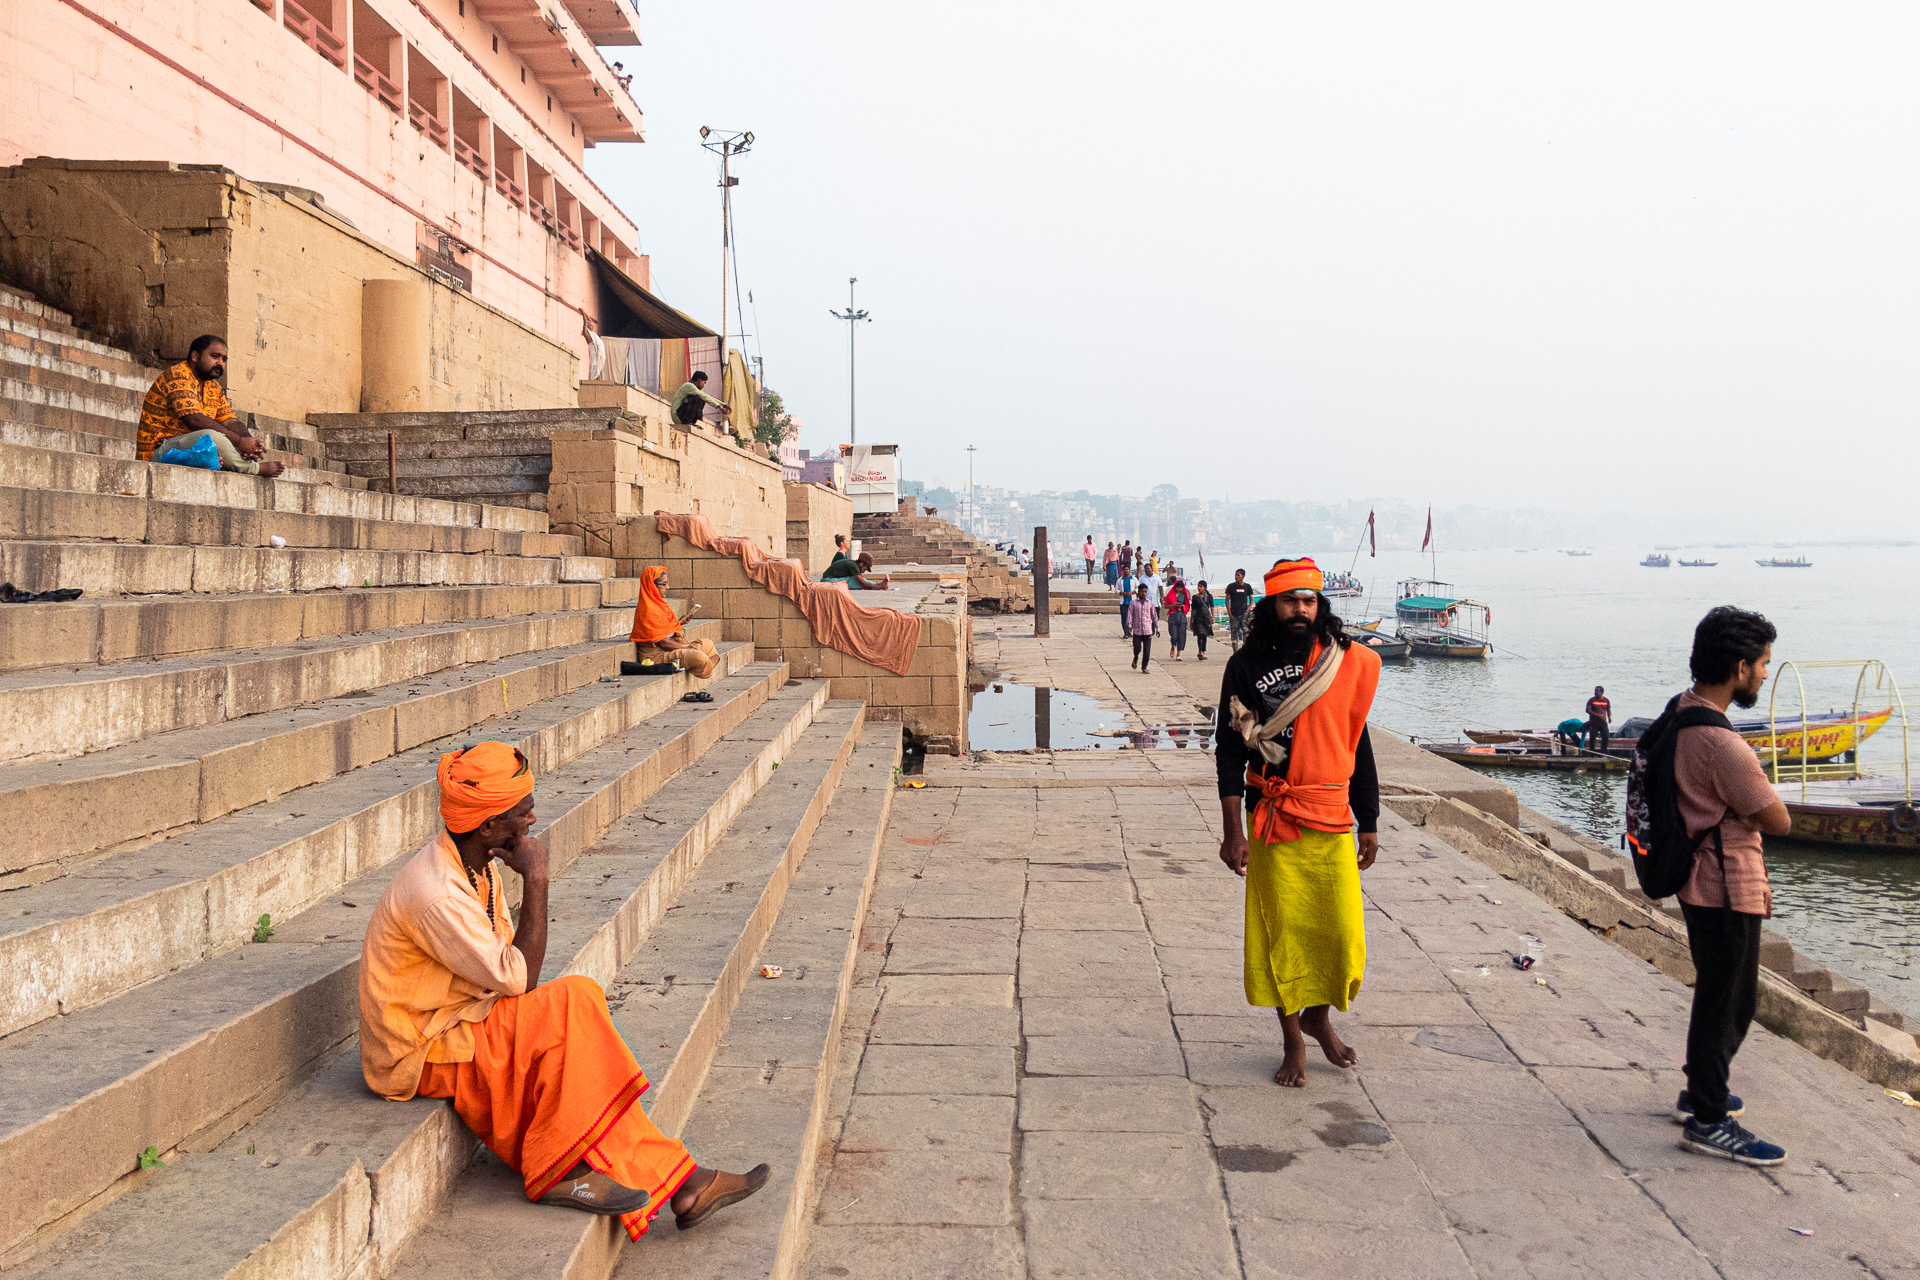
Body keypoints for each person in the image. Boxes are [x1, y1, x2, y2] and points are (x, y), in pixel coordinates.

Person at [358, 742, 770, 1236]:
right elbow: (519, 979)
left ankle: (683, 1181)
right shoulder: (438, 894)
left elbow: (507, 972)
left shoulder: (477, 863)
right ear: (488, 826)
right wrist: (538, 878)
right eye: (521, 811)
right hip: (419, 1048)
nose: (532, 818)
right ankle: (561, 1169)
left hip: (462, 1016)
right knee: (573, 1001)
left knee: (576, 1012)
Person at [1214, 558, 1381, 1088]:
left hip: (1332, 817)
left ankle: (1319, 1017)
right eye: (1290, 601)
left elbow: (1359, 743)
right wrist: (1231, 831)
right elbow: (1226, 750)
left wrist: (1369, 819)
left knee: (1340, 934)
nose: (1300, 610)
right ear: (1270, 606)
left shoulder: (1341, 662)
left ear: (1319, 605)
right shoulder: (1244, 664)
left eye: (1309, 601)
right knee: (1280, 935)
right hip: (1273, 818)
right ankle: (1293, 1042)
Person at [1670, 606, 1792, 1166]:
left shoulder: (1680, 713)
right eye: (1763, 664)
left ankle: (1701, 1091)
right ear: (1739, 667)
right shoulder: (1724, 746)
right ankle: (1710, 1119)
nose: (1766, 675)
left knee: (1718, 989)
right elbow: (1777, 820)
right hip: (1726, 882)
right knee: (1732, 1000)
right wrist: (1757, 778)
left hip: (1696, 877)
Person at [138, 335, 285, 477]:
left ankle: (218, 461)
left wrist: (249, 443)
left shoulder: (214, 387)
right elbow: (194, 420)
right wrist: (239, 442)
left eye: (224, 359)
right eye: (215, 356)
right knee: (212, 435)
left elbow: (230, 421)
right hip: (159, 453)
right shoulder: (178, 375)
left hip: (190, 449)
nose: (220, 363)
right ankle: (254, 469)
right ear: (195, 356)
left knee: (223, 441)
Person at [630, 566, 719, 677]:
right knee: (698, 657)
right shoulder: (647, 609)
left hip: (670, 647)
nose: (668, 587)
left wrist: (679, 623)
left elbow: (664, 629)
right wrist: (687, 648)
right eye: (664, 584)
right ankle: (700, 663)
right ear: (653, 586)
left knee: (708, 644)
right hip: (657, 655)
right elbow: (664, 642)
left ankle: (700, 664)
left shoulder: (660, 605)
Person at [1125, 583, 1156, 672]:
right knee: (1137, 648)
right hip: (1137, 630)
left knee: (1147, 650)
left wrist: (1157, 628)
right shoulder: (1133, 603)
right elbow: (1130, 615)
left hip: (1147, 629)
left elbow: (1154, 616)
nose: (1144, 593)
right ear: (1138, 592)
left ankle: (1144, 667)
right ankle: (1135, 657)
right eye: (1142, 591)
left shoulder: (1150, 603)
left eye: (1145, 592)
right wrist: (1129, 625)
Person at [823, 552, 891, 590]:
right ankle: (879, 586)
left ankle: (879, 585)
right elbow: (863, 583)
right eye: (864, 569)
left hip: (830, 579)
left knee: (856, 579)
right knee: (854, 581)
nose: (864, 572)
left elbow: (862, 580)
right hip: (827, 580)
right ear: (861, 564)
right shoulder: (854, 566)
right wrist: (878, 587)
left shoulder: (854, 564)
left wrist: (877, 584)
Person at [1224, 569, 1255, 650]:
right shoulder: (1231, 586)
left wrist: (1247, 610)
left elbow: (1251, 600)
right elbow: (1227, 600)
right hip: (1234, 614)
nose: (1236, 577)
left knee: (1246, 634)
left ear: (1243, 576)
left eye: (1238, 575)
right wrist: (1229, 613)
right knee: (1234, 635)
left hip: (1244, 614)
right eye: (1235, 575)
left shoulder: (1247, 587)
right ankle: (1235, 652)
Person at [1165, 577, 1191, 660]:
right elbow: (1166, 605)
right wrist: (1173, 605)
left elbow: (1187, 605)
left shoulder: (1184, 595)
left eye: (1180, 588)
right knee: (1174, 635)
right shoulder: (1170, 594)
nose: (1178, 589)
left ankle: (1179, 653)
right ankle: (1173, 645)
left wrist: (1182, 606)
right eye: (1177, 587)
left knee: (1181, 635)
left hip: (1181, 615)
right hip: (1172, 616)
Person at [1192, 580, 1215, 660]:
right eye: (1198, 586)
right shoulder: (1195, 597)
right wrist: (1192, 620)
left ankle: (1203, 651)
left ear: (1205, 587)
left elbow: (1212, 607)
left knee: (1205, 635)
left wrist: (1213, 617)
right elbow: (1193, 609)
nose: (1199, 588)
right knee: (1200, 634)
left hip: (1206, 618)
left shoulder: (1209, 596)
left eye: (1201, 586)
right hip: (1198, 618)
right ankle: (1200, 651)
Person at [1586, 685, 1613, 752]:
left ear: (1601, 692)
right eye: (1595, 691)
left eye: (1597, 691)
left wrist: (1609, 717)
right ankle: (1592, 752)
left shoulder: (1606, 700)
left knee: (1605, 737)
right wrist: (1598, 715)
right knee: (1593, 737)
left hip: (1603, 722)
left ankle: (1603, 751)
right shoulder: (1591, 700)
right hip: (1594, 722)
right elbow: (1588, 710)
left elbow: (1608, 710)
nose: (1595, 693)